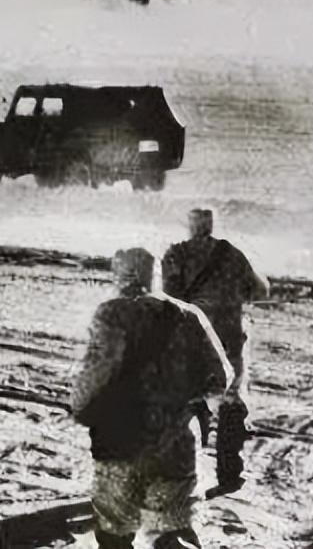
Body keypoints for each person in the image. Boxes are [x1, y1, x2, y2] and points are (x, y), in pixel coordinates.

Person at [71, 248, 232, 549]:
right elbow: (221, 377)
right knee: (173, 530)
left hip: (121, 443)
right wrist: (182, 401)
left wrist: (81, 408)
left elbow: (98, 370)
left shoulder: (112, 313)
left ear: (121, 275)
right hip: (176, 443)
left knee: (115, 531)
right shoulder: (188, 315)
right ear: (153, 275)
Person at [160, 208, 268, 393]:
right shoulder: (232, 254)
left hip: (193, 338)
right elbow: (259, 291)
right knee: (229, 395)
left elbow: (169, 296)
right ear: (211, 225)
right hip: (229, 338)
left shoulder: (176, 254)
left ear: (189, 226)